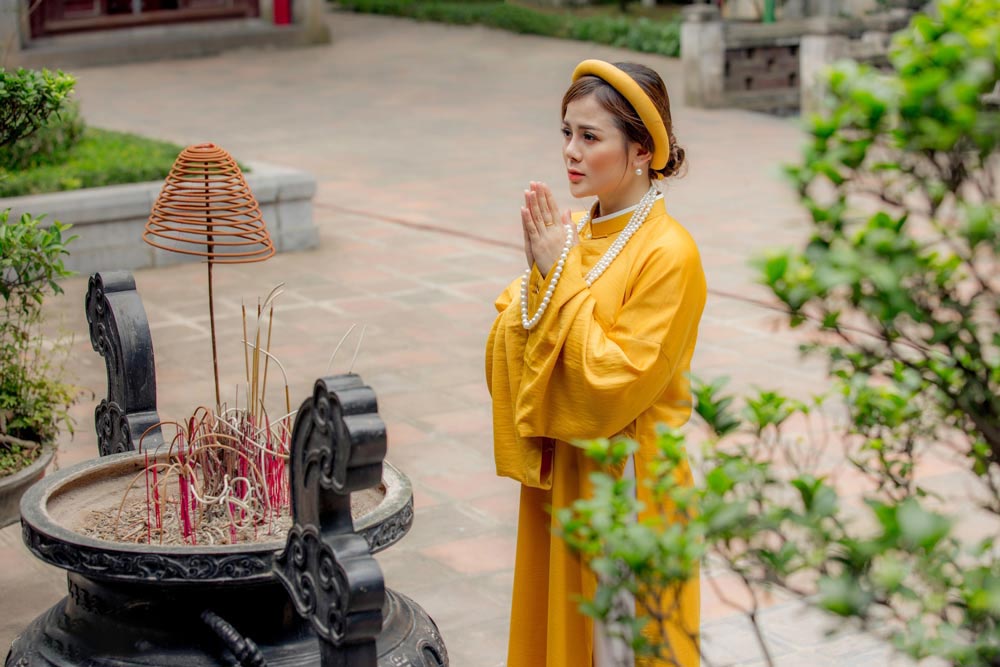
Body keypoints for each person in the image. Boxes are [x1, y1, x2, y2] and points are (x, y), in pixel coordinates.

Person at [485, 59, 707, 667]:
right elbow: (519, 333)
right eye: (566, 133)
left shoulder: (670, 253)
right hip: (567, 463)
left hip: (626, 479)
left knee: (615, 646)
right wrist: (542, 275)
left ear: (641, 149)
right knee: (560, 633)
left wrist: (556, 279)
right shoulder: (576, 233)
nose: (570, 152)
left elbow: (614, 383)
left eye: (590, 137)